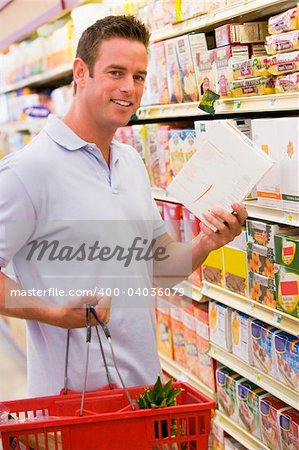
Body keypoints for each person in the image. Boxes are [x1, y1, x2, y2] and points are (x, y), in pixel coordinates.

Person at [0, 15, 247, 397]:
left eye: (139, 76)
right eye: (116, 72)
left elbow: (158, 269)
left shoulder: (130, 162)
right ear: (81, 72)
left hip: (143, 390)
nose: (129, 88)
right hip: (72, 403)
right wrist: (53, 315)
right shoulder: (28, 170)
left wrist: (206, 243)